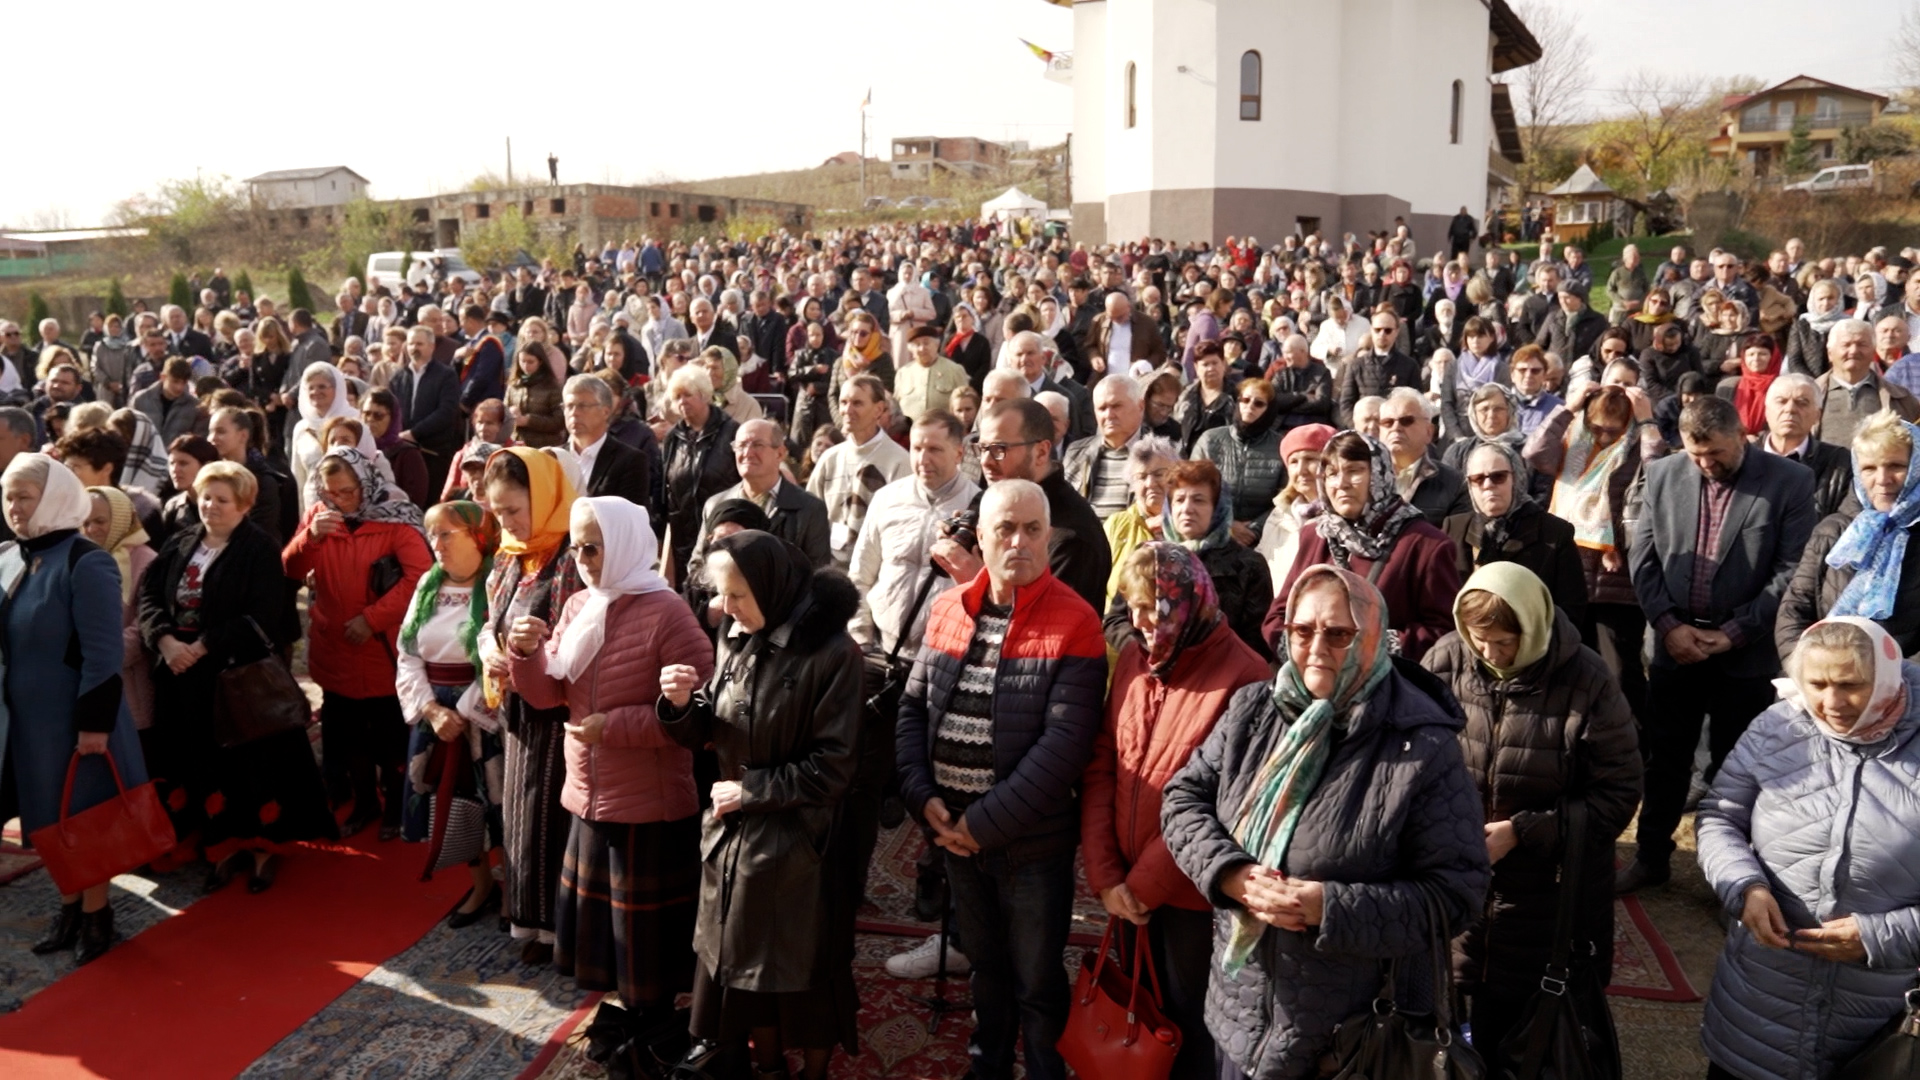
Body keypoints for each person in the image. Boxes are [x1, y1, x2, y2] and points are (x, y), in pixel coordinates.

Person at [1161, 564, 1491, 1080]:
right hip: (1238, 1017)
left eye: (1338, 634)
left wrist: (1328, 908)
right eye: (1302, 630)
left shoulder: (1423, 747)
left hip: (1348, 1041)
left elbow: (1456, 894)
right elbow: (1183, 798)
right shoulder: (1254, 710)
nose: (1317, 647)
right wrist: (1231, 875)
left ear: (1375, 638)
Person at [896, 479, 1106, 1080]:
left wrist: (979, 827)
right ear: (980, 537)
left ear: (1049, 536)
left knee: (1036, 979)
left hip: (1029, 844)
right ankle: (987, 1066)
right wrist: (924, 799)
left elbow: (1063, 747)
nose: (1019, 541)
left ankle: (1044, 1071)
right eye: (1005, 529)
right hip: (953, 837)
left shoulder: (1076, 620)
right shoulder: (946, 607)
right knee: (986, 968)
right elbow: (913, 711)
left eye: (1033, 529)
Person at [506, 497, 713, 1044]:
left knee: (644, 936)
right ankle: (629, 1015)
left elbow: (700, 714)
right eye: (576, 547)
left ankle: (653, 1024)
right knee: (608, 934)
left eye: (593, 547)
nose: (583, 558)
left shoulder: (667, 612)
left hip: (648, 803)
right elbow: (550, 694)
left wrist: (613, 728)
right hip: (589, 794)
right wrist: (525, 655)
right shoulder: (578, 605)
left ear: (622, 544)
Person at [659, 531, 864, 1080]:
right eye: (722, 596)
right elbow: (721, 721)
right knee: (743, 973)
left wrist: (753, 792)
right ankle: (769, 1067)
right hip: (733, 834)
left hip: (800, 842)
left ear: (772, 588)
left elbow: (835, 766)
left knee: (804, 977)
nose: (724, 608)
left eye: (737, 596)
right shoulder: (735, 632)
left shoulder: (834, 653)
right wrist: (681, 706)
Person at [1421, 564, 1641, 1065]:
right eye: (1481, 641)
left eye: (1505, 642)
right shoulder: (1446, 661)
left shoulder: (1587, 680)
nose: (1492, 655)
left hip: (1546, 901)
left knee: (1525, 1043)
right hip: (1456, 887)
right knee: (1446, 1039)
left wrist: (1525, 832)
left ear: (1533, 627)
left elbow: (1619, 791)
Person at [1696, 617, 1920, 1080]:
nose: (1831, 703)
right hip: (1759, 998)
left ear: (1887, 676)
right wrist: (1745, 887)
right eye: (1816, 683)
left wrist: (1880, 937)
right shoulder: (1778, 726)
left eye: (1850, 685)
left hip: (1882, 1019)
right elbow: (1720, 816)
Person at [1083, 542, 1269, 1080]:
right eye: (1130, 605)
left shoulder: (1246, 677)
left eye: (1152, 607)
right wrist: (1106, 875)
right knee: (1137, 1020)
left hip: (1193, 896)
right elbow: (1104, 764)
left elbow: (1224, 804)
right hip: (1125, 887)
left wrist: (1143, 885)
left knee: (1190, 1032)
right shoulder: (1137, 666)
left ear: (1186, 602)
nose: (1138, 622)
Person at [1620, 395, 1817, 893]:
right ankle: (1650, 857)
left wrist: (1732, 633)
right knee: (1665, 758)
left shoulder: (1789, 482)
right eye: (1696, 455)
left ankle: (1728, 878)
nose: (1706, 465)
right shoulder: (1664, 475)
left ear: (1741, 436)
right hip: (1675, 646)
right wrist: (1668, 626)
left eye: (1716, 454)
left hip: (1745, 654)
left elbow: (1791, 573)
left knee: (1736, 768)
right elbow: (1642, 559)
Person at [139, 461, 335, 894]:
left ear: (245, 504)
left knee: (248, 766)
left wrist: (204, 645)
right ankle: (219, 845)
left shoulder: (258, 548)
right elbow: (151, 596)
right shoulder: (181, 540)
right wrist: (166, 642)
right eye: (206, 497)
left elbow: (262, 615)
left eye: (222, 500)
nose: (210, 506)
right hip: (180, 673)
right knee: (197, 762)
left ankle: (262, 849)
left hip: (230, 673)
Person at [3, 455, 152, 965]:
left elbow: (103, 654)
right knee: (48, 819)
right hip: (26, 722)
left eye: (25, 496)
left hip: (77, 718)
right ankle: (68, 907)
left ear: (54, 497)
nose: (15, 507)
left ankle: (96, 915)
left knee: (86, 818)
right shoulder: (10, 557)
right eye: (8, 497)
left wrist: (93, 726)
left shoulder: (85, 561)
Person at [283, 448, 431, 840]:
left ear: (365, 483)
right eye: (330, 492)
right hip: (336, 645)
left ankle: (396, 808)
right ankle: (364, 802)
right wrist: (309, 540)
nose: (338, 500)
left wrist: (372, 618)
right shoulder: (319, 517)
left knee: (390, 736)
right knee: (350, 737)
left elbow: (421, 578)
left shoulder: (394, 517)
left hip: (380, 647)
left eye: (346, 492)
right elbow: (291, 568)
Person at [476, 447, 584, 964]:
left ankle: (560, 928)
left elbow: (574, 636)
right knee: (519, 812)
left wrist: (525, 659)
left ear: (542, 497)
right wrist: (493, 652)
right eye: (499, 513)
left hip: (556, 711)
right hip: (515, 709)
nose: (509, 521)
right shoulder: (509, 553)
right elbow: (486, 620)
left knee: (552, 818)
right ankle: (528, 920)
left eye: (515, 509)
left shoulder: (570, 554)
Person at [395, 501, 505, 927]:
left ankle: (514, 886)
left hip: (483, 712)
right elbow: (408, 654)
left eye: (446, 534)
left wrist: (462, 710)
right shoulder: (428, 585)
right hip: (437, 714)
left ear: (478, 537)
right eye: (432, 535)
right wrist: (432, 711)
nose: (436, 544)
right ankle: (479, 884)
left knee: (497, 802)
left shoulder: (498, 584)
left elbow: (501, 656)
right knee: (453, 802)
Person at [1525, 382, 1664, 719]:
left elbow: (1659, 468)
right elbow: (1535, 453)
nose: (1602, 436)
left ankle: (1632, 746)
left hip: (1616, 584)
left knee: (1620, 674)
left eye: (1611, 430)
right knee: (1568, 669)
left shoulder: (1633, 450)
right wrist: (1569, 408)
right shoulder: (1575, 444)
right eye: (1596, 427)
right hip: (1569, 574)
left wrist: (1646, 421)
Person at [1266, 431, 1463, 661]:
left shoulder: (1425, 544)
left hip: (1389, 686)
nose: (1341, 484)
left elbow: (1444, 631)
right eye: (1331, 474)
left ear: (1380, 475)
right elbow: (1279, 616)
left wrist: (1370, 647)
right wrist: (1307, 650)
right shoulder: (1316, 535)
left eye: (1354, 471)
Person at [1778, 412, 1920, 658]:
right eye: (1869, 468)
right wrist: (1807, 671)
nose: (1882, 479)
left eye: (1896, 466)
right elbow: (1794, 609)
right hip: (1828, 682)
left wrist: (1897, 679)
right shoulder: (1833, 531)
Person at [1104, 458, 1272, 661]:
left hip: (1218, 677)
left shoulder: (1248, 565)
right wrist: (1147, 653)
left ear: (1217, 507)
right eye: (1179, 500)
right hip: (1150, 671)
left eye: (1199, 500)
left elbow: (1256, 641)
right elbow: (1115, 620)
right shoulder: (1149, 555)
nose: (1187, 508)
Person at [1443, 440, 1588, 625]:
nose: (1488, 485)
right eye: (1478, 479)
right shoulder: (1454, 529)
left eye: (1498, 477)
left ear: (1516, 479)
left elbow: (1570, 611)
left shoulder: (1554, 533)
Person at [689, 418, 830, 577]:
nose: (748, 453)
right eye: (741, 445)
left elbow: (818, 576)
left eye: (757, 445)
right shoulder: (716, 505)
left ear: (780, 453)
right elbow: (697, 566)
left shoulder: (809, 509)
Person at [808, 373, 910, 571]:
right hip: (829, 570)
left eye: (857, 403)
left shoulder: (899, 461)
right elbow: (810, 516)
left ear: (879, 409)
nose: (847, 410)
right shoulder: (829, 459)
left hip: (877, 572)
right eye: (843, 402)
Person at [661, 366, 741, 583]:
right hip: (682, 537)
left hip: (721, 532)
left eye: (688, 395)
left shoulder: (732, 431)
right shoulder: (673, 439)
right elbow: (664, 490)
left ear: (704, 395)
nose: (682, 401)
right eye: (677, 397)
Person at [1192, 377, 1285, 543]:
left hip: (1265, 538)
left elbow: (1287, 497)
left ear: (1269, 409)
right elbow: (1192, 489)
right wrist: (1228, 524)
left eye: (1259, 403)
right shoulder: (1210, 440)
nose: (1250, 407)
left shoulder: (1281, 446)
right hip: (1211, 534)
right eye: (1245, 400)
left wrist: (1256, 529)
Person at [1378, 387, 1470, 526]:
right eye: (1388, 423)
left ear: (1429, 432)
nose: (1395, 428)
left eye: (1406, 420)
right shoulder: (1363, 479)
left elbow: (1455, 543)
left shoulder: (1454, 484)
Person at [1062, 372, 1148, 521]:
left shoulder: (1161, 454)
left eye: (1116, 406)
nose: (1109, 415)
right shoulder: (1077, 454)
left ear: (1140, 406)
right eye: (1102, 408)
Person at [563, 375, 651, 507]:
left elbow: (627, 519)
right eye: (569, 406)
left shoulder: (630, 461)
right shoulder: (552, 458)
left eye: (582, 406)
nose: (574, 413)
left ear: (605, 412)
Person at [1173, 340, 1236, 455]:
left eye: (1215, 363)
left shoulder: (1236, 396)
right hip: (1188, 462)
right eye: (1205, 364)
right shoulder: (1185, 396)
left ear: (1223, 364)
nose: (1211, 368)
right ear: (1196, 367)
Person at [506, 346, 564, 450]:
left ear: (540, 362)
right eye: (522, 361)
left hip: (544, 446)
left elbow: (559, 421)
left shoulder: (552, 387)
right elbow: (503, 412)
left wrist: (529, 421)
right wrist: (510, 413)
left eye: (530, 362)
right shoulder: (514, 385)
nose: (525, 366)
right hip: (518, 444)